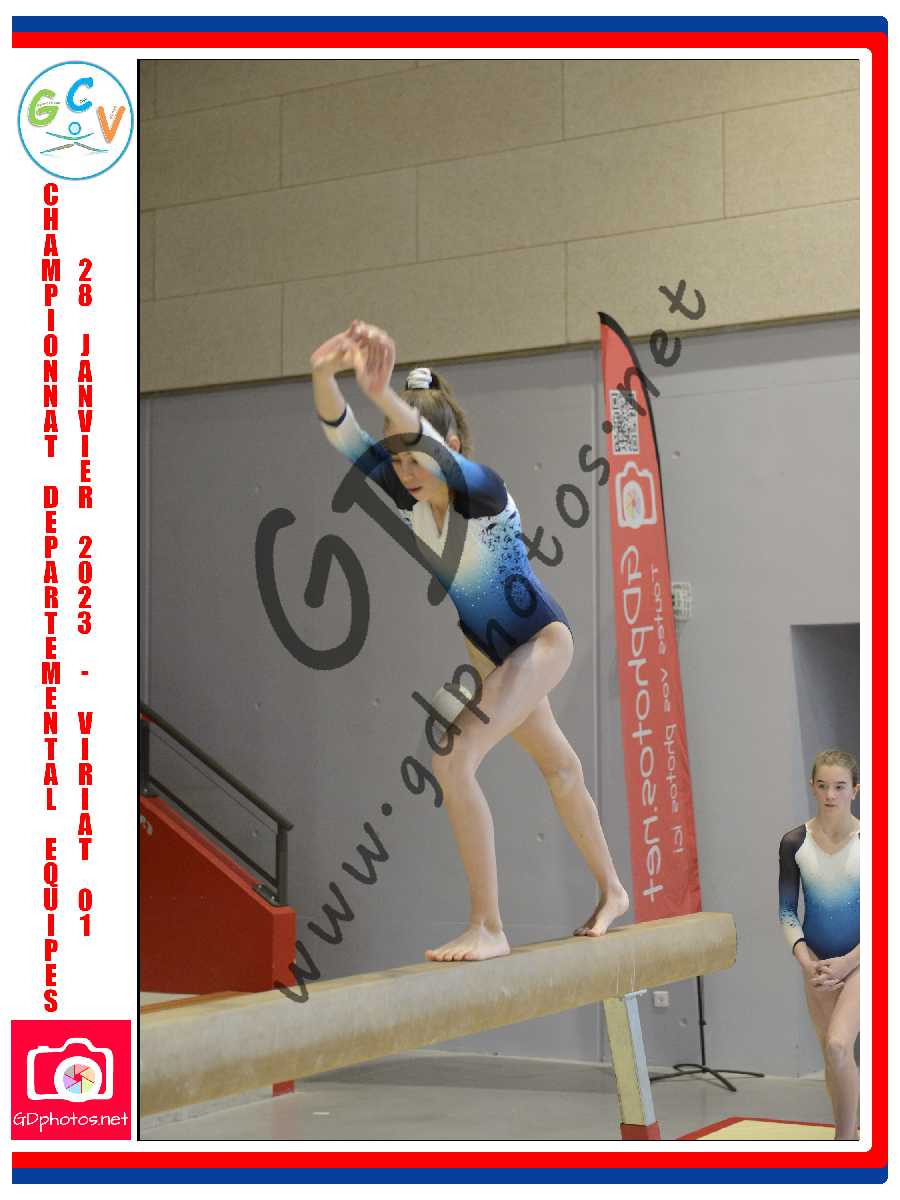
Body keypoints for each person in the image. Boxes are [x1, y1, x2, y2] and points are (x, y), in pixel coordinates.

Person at [310, 320, 629, 962]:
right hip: (487, 654)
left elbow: (417, 437)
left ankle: (488, 925)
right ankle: (614, 891)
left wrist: (379, 392)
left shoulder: (482, 490)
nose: (404, 471)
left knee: (453, 761)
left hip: (538, 642)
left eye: (415, 457)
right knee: (561, 769)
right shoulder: (407, 494)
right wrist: (323, 373)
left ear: (450, 447)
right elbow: (343, 434)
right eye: (396, 460)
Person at [778, 749, 860, 1140]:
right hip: (817, 963)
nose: (830, 795)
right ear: (812, 786)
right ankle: (850, 1133)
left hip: (864, 960)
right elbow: (786, 911)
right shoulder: (794, 842)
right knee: (831, 1054)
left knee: (840, 1045)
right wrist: (806, 960)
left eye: (840, 787)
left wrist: (849, 962)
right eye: (823, 786)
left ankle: (844, 1146)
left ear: (855, 790)